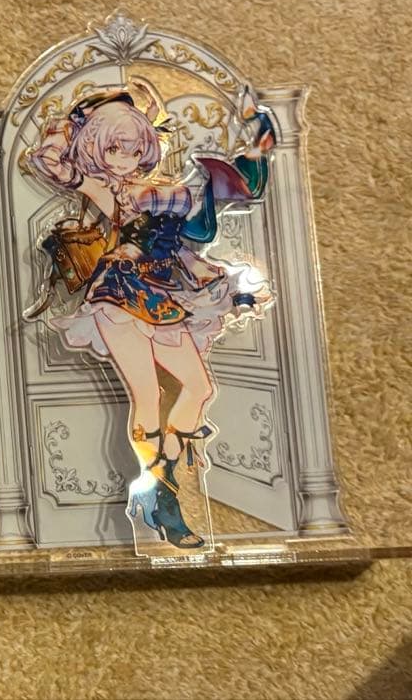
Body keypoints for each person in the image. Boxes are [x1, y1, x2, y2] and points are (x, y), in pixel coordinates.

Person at [25, 80, 277, 548]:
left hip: (159, 295)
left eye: (132, 149)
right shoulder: (101, 189)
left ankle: (158, 478)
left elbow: (182, 244)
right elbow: (46, 161)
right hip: (117, 294)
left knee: (200, 388)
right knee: (145, 396)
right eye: (113, 148)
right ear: (95, 148)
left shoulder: (166, 192)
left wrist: (217, 282)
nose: (124, 158)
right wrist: (81, 114)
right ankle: (162, 499)